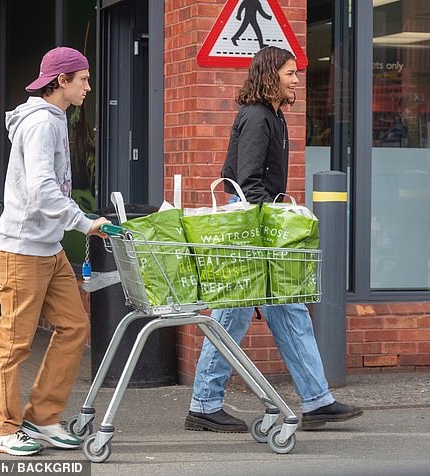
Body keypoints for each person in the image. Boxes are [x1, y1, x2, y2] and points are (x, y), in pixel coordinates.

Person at [185, 46, 363, 433]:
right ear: (270, 77)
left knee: (290, 307)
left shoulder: (274, 116)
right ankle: (203, 404)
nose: (297, 79)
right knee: (231, 315)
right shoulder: (256, 117)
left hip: (259, 219)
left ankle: (317, 400)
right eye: (290, 73)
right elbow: (246, 183)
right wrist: (281, 216)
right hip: (249, 223)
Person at [0, 46, 110, 456]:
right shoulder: (41, 123)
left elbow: (49, 189)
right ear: (62, 81)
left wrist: (73, 224)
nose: (88, 87)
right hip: (23, 249)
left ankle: (42, 417)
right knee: (14, 342)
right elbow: (42, 190)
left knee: (74, 327)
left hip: (48, 248)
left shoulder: (55, 119)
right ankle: (3, 429)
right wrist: (85, 223)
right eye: (83, 79)